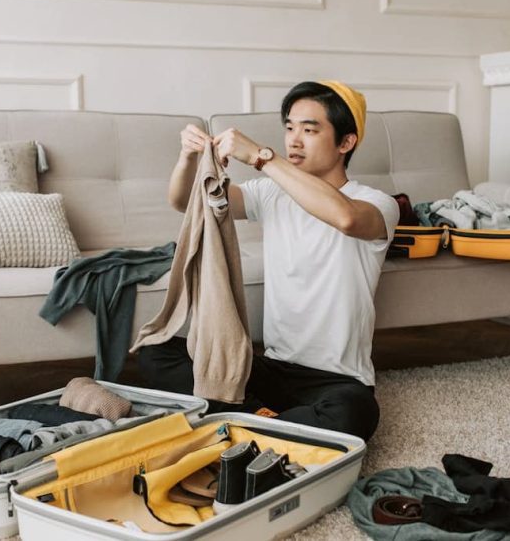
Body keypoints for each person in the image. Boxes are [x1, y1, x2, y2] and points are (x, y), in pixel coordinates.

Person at [136, 81, 399, 441]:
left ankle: (241, 419)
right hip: (269, 368)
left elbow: (346, 218)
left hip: (337, 380)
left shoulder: (376, 203)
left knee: (355, 413)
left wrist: (263, 157)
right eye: (289, 127)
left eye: (309, 129)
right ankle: (268, 422)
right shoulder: (271, 193)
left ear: (345, 142)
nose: (294, 140)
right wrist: (188, 159)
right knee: (156, 349)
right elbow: (185, 201)